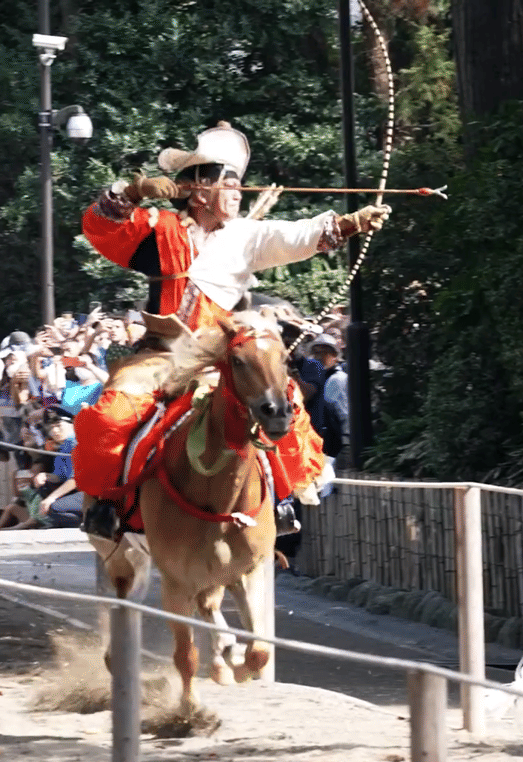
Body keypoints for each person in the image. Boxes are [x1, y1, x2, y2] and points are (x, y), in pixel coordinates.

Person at [74, 121, 390, 539]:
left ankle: (279, 501)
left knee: (281, 400)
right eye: (230, 183)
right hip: (162, 357)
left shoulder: (247, 236)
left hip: (220, 357)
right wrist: (130, 194)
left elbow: (297, 234)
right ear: (200, 189)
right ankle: (108, 503)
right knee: (111, 414)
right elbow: (100, 229)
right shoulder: (158, 229)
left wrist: (352, 222)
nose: (240, 192)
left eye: (241, 183)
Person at [310, 334, 350, 470]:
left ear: (335, 356)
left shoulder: (336, 380)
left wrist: (347, 445)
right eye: (315, 353)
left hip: (335, 448)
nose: (318, 357)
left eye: (324, 353)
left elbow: (344, 415)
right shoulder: (320, 379)